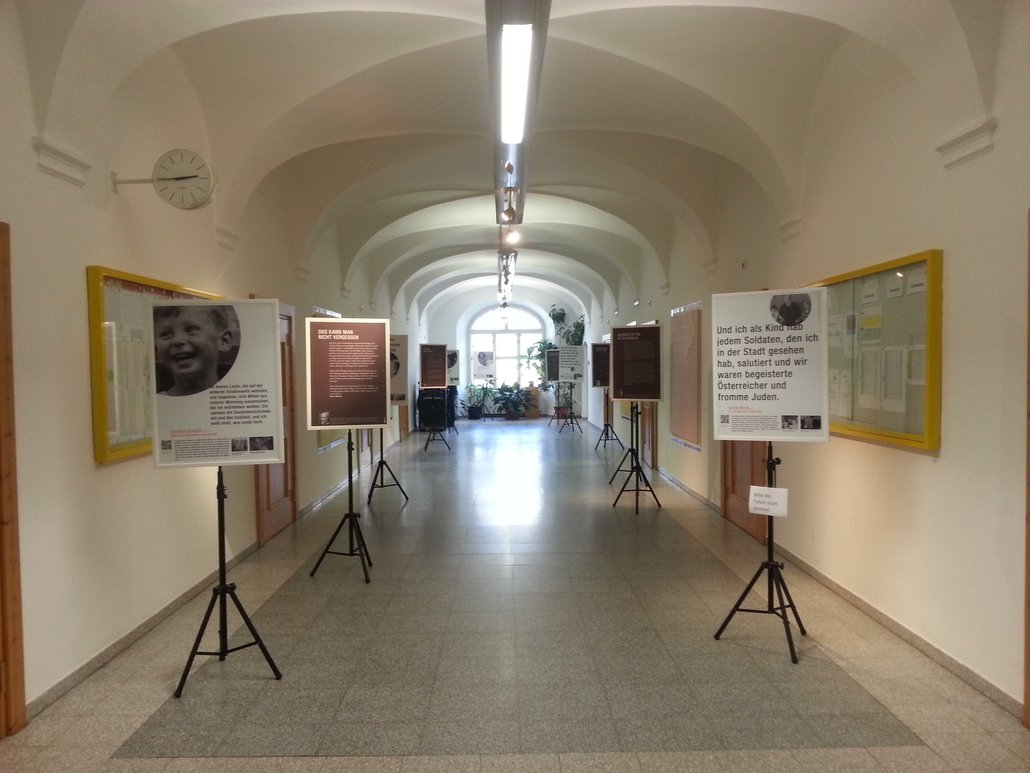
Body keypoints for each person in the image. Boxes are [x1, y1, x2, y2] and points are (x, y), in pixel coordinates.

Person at [153, 305, 236, 395]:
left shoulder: (234, 395)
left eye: (191, 330)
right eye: (165, 334)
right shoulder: (156, 401)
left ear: (223, 341)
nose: (177, 340)